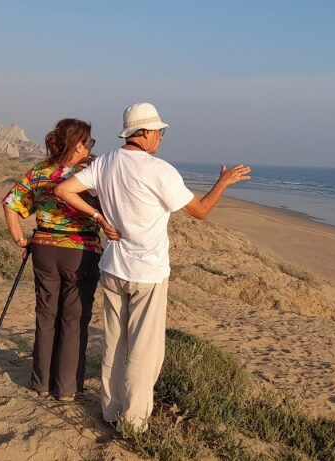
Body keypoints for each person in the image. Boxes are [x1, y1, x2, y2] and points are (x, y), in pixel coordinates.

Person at [55, 102, 250, 430]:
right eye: (159, 131)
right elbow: (200, 211)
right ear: (142, 133)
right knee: (144, 351)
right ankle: (132, 422)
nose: (161, 137)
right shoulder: (160, 171)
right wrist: (224, 183)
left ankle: (110, 410)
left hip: (114, 267)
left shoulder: (105, 163)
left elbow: (63, 190)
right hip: (146, 272)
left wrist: (99, 217)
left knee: (115, 344)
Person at [3, 118, 113, 401]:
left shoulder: (39, 171)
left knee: (46, 316)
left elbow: (11, 204)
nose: (90, 147)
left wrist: (19, 239)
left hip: (44, 248)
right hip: (81, 251)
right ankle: (67, 388)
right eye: (88, 142)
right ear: (78, 144)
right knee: (74, 319)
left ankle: (40, 382)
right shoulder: (90, 172)